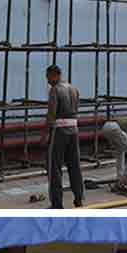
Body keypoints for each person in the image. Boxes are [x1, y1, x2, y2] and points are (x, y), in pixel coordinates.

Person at [46, 63, 84, 209]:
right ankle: (79, 198)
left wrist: (46, 133)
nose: (48, 81)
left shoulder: (55, 90)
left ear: (54, 75)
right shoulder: (74, 89)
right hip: (74, 128)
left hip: (59, 130)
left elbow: (51, 113)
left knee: (54, 167)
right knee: (74, 165)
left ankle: (57, 203)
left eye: (48, 77)